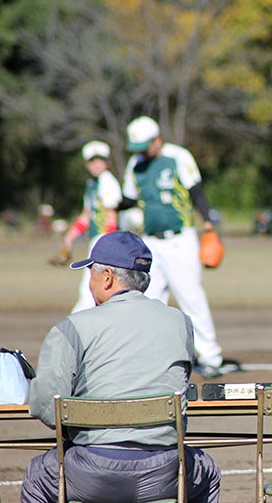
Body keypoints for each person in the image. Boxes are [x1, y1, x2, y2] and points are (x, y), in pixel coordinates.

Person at [22, 231, 221, 503]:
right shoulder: (180, 323)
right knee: (207, 471)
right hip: (164, 471)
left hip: (92, 472)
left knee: (37, 475)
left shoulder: (72, 327)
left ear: (107, 278)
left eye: (91, 274)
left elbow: (45, 406)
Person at [121, 116, 237, 379]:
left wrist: (208, 223)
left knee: (191, 297)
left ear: (157, 139)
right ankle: (153, 357)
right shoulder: (135, 164)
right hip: (150, 242)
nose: (141, 152)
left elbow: (196, 191)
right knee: (149, 301)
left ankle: (210, 357)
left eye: (144, 146)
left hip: (179, 239)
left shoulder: (177, 157)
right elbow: (128, 199)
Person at [56, 141, 122, 313]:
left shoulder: (107, 182)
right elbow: (86, 216)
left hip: (104, 241)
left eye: (100, 160)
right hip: (97, 241)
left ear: (107, 162)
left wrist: (107, 247)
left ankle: (74, 326)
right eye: (93, 161)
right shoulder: (92, 184)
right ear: (87, 164)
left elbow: (111, 216)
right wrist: (69, 238)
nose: (97, 164)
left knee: (89, 291)